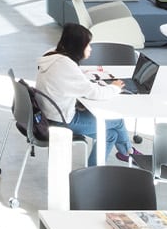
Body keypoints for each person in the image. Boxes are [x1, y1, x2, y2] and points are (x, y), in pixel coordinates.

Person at [34, 23, 139, 166]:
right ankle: (128, 152)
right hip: (61, 120)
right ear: (77, 47)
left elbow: (69, 83)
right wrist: (115, 87)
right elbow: (94, 93)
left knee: (110, 135)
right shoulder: (65, 66)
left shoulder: (52, 54)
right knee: (117, 119)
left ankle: (93, 169)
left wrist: (81, 77)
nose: (90, 48)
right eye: (88, 45)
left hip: (47, 114)